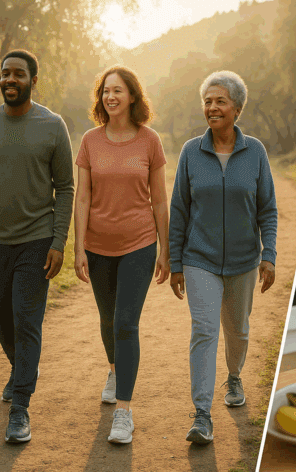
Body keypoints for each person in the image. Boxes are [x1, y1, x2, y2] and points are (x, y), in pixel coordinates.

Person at [169, 70, 277, 445]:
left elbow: (268, 210)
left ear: (237, 109)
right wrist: (176, 263)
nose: (212, 108)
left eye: (220, 101)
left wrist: (269, 255)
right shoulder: (190, 152)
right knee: (204, 330)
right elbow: (178, 210)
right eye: (207, 102)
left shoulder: (255, 152)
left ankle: (234, 376)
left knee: (238, 330)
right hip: (199, 258)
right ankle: (202, 415)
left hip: (245, 261)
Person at [73, 66, 170, 444]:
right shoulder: (90, 141)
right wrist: (78, 246)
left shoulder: (149, 141)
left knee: (126, 324)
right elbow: (83, 197)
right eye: (105, 91)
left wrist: (165, 249)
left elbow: (159, 200)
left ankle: (124, 412)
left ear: (132, 96)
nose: (110, 97)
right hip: (97, 246)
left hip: (139, 245)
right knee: (108, 318)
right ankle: (115, 370)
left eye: (118, 90)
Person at [0, 50, 74, 443]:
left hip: (35, 240)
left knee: (26, 321)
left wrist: (58, 241)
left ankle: (20, 410)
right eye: (5, 73)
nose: (10, 80)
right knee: (4, 322)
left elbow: (65, 187)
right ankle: (22, 369)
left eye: (18, 74)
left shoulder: (52, 125)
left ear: (33, 80)